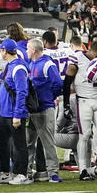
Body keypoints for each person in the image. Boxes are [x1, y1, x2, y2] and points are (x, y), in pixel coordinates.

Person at [66, 38, 97, 181]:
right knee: (85, 135)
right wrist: (66, 105)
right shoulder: (77, 58)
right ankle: (83, 170)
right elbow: (67, 81)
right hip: (83, 100)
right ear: (91, 51)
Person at [0, 38, 32, 185]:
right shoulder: (11, 66)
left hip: (13, 113)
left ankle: (22, 174)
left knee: (19, 144)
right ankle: (6, 173)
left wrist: (17, 114)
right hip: (4, 112)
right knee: (3, 143)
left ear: (4, 51)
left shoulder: (18, 68)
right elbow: (5, 90)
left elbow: (22, 92)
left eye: (0, 49)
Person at [27, 36, 63, 183]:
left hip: (44, 108)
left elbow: (58, 84)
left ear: (34, 50)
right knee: (29, 142)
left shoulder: (47, 64)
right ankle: (27, 171)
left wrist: (49, 97)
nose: (27, 51)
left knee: (47, 141)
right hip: (33, 109)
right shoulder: (31, 64)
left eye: (28, 48)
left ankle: (53, 172)